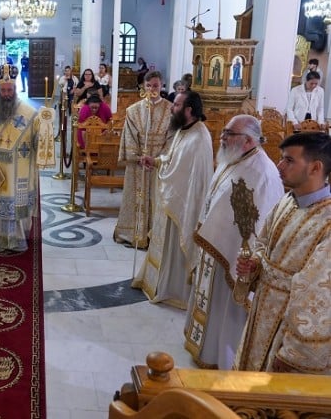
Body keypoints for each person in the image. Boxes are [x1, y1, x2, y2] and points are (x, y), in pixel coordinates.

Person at [183, 115, 284, 370]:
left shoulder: (261, 172)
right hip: (215, 247)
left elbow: (258, 226)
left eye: (229, 133)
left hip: (234, 258)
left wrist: (244, 258)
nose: (222, 137)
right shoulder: (234, 158)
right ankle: (203, 346)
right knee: (211, 301)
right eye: (224, 132)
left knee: (225, 310)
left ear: (249, 140)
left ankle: (220, 356)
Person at [234, 132, 331, 374]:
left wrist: (293, 353)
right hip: (263, 312)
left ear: (315, 167)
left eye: (289, 160)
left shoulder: (328, 223)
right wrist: (255, 264)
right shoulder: (288, 200)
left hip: (287, 332)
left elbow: (318, 298)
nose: (279, 166)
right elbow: (263, 242)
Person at [132, 91, 213, 308]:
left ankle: (172, 289)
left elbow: (182, 177)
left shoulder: (198, 138)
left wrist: (162, 173)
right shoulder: (184, 130)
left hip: (182, 206)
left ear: (189, 110)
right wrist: (157, 161)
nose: (171, 107)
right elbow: (173, 159)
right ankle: (156, 283)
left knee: (174, 248)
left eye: (176, 105)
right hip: (173, 200)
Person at [0, 64, 55, 253]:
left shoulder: (31, 113)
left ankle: (19, 239)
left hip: (21, 170)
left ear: (15, 89)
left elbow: (39, 142)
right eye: (3, 90)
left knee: (19, 206)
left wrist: (46, 125)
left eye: (10, 89)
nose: (6, 93)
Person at [114, 71, 173, 248]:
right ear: (143, 86)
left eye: (155, 85)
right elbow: (129, 136)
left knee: (157, 197)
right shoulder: (133, 110)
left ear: (161, 86)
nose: (152, 89)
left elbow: (172, 138)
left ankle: (156, 236)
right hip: (138, 163)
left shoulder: (171, 110)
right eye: (148, 85)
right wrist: (138, 157)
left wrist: (157, 159)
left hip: (160, 163)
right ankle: (133, 233)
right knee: (136, 197)